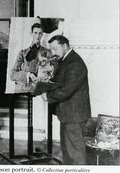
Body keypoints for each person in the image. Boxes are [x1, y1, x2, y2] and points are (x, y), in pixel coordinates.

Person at [41, 35, 91, 165]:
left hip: (74, 115)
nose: (53, 53)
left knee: (76, 154)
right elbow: (62, 82)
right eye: (51, 49)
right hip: (68, 114)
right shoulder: (67, 60)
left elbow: (67, 89)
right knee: (68, 151)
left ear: (64, 45)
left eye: (55, 49)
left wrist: (48, 96)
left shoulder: (75, 63)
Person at [10, 23, 51, 93]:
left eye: (40, 33)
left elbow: (52, 73)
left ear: (42, 35)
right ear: (31, 34)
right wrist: (28, 75)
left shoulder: (47, 52)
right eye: (35, 33)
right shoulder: (23, 53)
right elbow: (12, 74)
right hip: (23, 89)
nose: (37, 36)